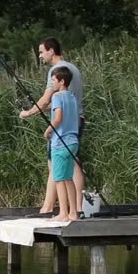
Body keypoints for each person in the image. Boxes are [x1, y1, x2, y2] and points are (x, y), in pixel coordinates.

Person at [19, 37, 85, 217]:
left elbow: (47, 99)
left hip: (61, 131)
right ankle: (74, 208)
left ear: (51, 51)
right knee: (72, 164)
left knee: (58, 168)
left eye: (41, 52)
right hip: (76, 122)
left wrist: (28, 112)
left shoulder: (56, 71)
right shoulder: (73, 69)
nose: (40, 56)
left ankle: (57, 210)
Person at [45, 67, 80, 221]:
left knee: (59, 179)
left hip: (60, 143)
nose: (52, 82)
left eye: (54, 80)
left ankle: (63, 214)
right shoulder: (72, 97)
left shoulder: (57, 96)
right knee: (68, 178)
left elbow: (58, 118)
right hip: (73, 142)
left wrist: (48, 131)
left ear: (62, 81)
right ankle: (73, 213)